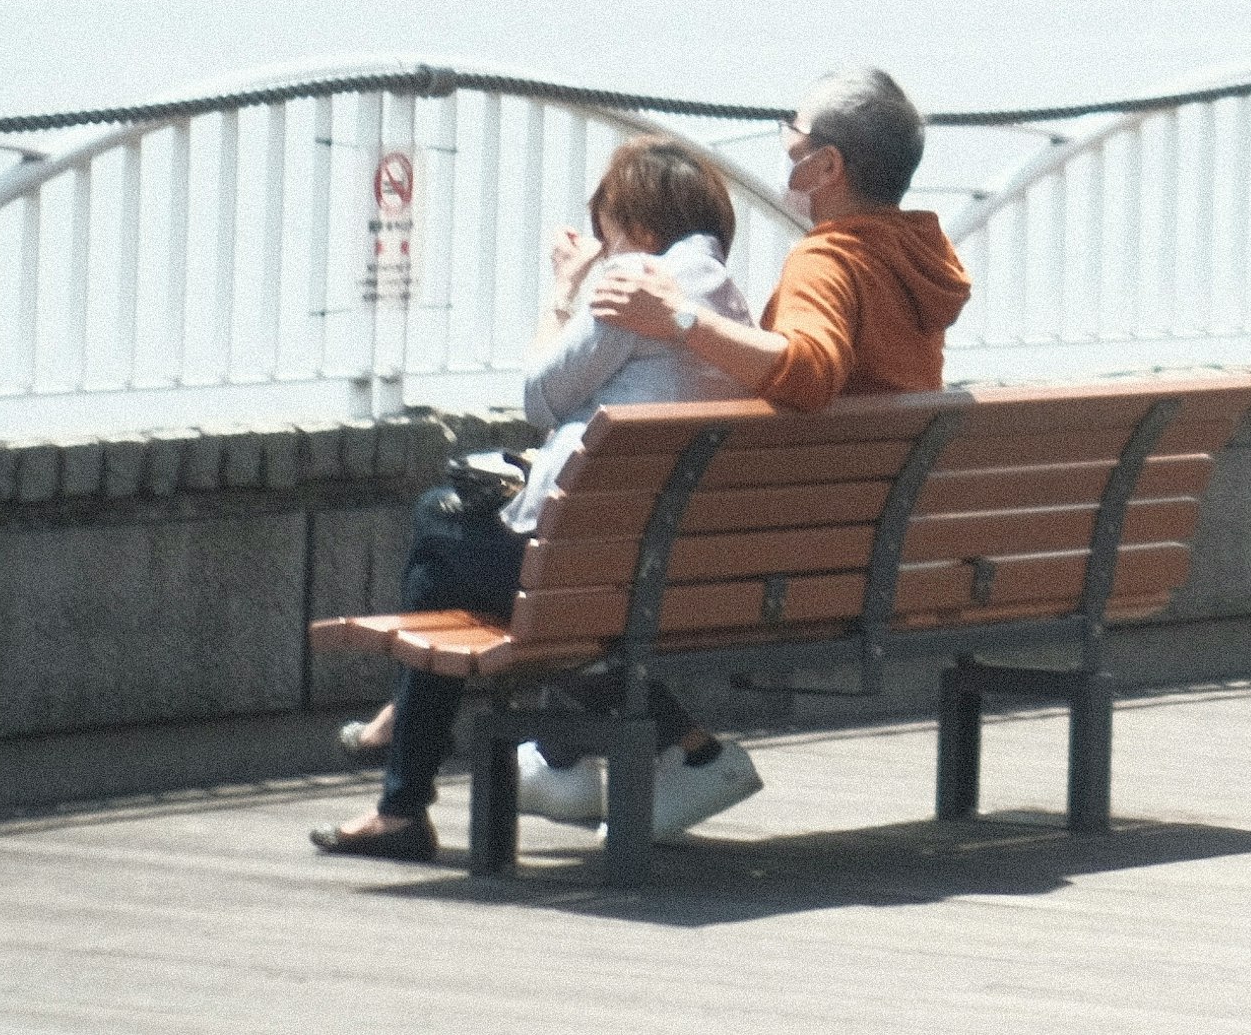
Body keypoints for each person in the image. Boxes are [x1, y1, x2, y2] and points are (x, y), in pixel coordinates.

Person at [311, 140, 760, 860]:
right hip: (668, 565)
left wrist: (563, 290)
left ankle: (404, 791)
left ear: (638, 226)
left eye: (608, 223)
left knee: (435, 531)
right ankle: (410, 774)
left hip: (592, 570)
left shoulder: (636, 286)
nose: (606, 242)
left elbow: (540, 395)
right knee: (460, 565)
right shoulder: (726, 300)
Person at [592, 65, 970, 404]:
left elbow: (809, 374)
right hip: (899, 475)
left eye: (794, 130)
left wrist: (679, 316)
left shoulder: (828, 260)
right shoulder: (921, 253)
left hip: (823, 476)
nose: (786, 141)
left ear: (827, 166)